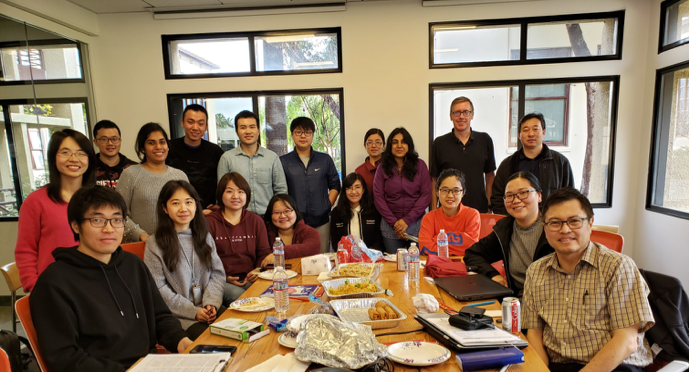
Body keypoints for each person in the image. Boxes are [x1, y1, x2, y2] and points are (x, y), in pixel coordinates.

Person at [30, 185, 192, 372]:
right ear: (76, 225)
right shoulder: (54, 283)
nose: (109, 229)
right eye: (97, 220)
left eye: (116, 220)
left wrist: (182, 341)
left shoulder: (133, 265)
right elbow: (63, 357)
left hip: (150, 365)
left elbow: (160, 316)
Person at [523, 187, 654, 372]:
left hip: (615, 365)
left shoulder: (618, 267)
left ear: (590, 223)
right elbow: (534, 334)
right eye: (555, 223)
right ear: (545, 228)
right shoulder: (536, 271)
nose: (565, 229)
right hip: (558, 364)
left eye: (574, 221)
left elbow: (627, 341)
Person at [15, 129, 96, 292]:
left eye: (81, 153)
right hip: (54, 288)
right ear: (53, 157)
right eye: (65, 152)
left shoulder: (98, 200)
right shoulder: (35, 201)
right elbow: (26, 250)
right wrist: (35, 287)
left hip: (95, 282)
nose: (74, 159)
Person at [144, 180, 225, 340]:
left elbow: (217, 274)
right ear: (165, 208)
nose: (183, 208)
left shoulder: (204, 237)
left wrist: (211, 303)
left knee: (242, 330)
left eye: (189, 202)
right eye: (175, 203)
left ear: (196, 205)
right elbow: (159, 288)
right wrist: (193, 311)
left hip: (209, 309)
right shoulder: (155, 243)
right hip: (179, 317)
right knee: (212, 342)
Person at [464, 172, 554, 296]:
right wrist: (493, 275)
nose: (516, 200)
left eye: (523, 193)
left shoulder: (556, 227)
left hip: (553, 305)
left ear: (539, 196)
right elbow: (473, 254)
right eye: (509, 195)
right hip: (516, 304)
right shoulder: (505, 229)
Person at [206, 172, 271, 305]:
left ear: (246, 195)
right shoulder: (209, 222)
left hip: (250, 278)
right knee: (242, 299)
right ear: (221, 195)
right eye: (229, 191)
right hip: (220, 281)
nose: (235, 196)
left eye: (240, 191)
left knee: (270, 294)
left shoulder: (256, 221)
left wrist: (258, 270)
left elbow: (264, 253)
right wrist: (224, 277)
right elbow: (204, 259)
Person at [117, 123, 188, 243]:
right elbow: (118, 213)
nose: (158, 147)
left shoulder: (180, 175)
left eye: (162, 142)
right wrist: (141, 235)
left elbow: (189, 210)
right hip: (141, 245)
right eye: (151, 143)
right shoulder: (130, 174)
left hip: (176, 245)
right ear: (142, 148)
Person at [491, 112, 574, 215]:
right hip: (516, 225)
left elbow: (570, 197)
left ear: (543, 132)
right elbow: (497, 197)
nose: (531, 134)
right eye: (525, 130)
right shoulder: (508, 164)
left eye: (535, 129)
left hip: (551, 223)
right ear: (519, 135)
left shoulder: (560, 163)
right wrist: (511, 220)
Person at [280, 117, 341, 253]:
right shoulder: (283, 162)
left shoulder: (324, 159)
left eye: (307, 132)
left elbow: (335, 184)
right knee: (297, 260)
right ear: (292, 134)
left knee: (322, 261)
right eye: (298, 132)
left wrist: (327, 205)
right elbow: (279, 190)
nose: (303, 136)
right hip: (293, 223)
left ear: (313, 135)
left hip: (321, 221)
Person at [430, 96, 496, 213]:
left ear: (472, 115)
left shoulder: (485, 140)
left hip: (479, 209)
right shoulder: (439, 143)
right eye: (457, 113)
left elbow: (490, 175)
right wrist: (434, 210)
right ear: (451, 116)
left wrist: (490, 205)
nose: (461, 117)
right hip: (448, 210)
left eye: (466, 112)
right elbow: (434, 180)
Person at [216, 110, 287, 216]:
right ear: (236, 132)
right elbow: (221, 192)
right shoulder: (227, 158)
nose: (248, 131)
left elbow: (281, 191)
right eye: (243, 127)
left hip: (267, 218)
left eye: (252, 127)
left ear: (258, 130)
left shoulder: (272, 158)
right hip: (238, 218)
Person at [373, 127, 432, 254]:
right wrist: (396, 224)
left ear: (409, 145)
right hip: (390, 225)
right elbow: (378, 197)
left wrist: (406, 221)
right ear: (390, 146)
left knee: (417, 263)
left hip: (416, 223)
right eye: (395, 142)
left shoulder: (420, 165)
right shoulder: (382, 167)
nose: (399, 145)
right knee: (394, 265)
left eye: (403, 142)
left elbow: (426, 195)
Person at [167, 104, 224, 209]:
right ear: (182, 123)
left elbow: (223, 182)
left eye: (200, 123)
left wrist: (218, 204)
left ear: (206, 127)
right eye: (190, 122)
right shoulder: (168, 149)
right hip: (176, 211)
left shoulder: (216, 152)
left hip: (207, 213)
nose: (195, 127)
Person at [418, 168, 480, 256]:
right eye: (445, 190)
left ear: (463, 192)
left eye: (456, 190)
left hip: (464, 265)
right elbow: (424, 248)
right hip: (436, 266)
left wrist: (437, 239)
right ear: (437, 192)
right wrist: (458, 247)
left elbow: (471, 246)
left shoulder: (472, 215)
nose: (450, 195)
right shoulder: (429, 218)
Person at [261, 194, 320, 267]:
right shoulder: (264, 233)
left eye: (287, 211)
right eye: (277, 212)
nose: (282, 216)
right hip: (272, 276)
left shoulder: (310, 232)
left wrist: (278, 253)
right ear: (270, 215)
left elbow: (312, 248)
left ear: (295, 211)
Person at [330, 173, 382, 251]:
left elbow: (378, 240)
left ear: (363, 190)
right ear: (344, 191)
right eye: (349, 188)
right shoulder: (336, 213)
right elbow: (335, 242)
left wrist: (369, 255)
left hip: (370, 258)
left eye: (357, 187)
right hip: (346, 259)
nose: (353, 192)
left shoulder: (373, 211)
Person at [92, 120, 137, 188]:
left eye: (114, 139)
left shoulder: (134, 168)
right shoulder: (88, 168)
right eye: (104, 139)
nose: (110, 143)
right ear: (95, 142)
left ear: (120, 141)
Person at [354, 128, 385, 195]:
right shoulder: (359, 171)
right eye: (370, 142)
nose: (373, 146)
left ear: (383, 146)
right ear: (365, 146)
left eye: (378, 142)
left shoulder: (391, 167)